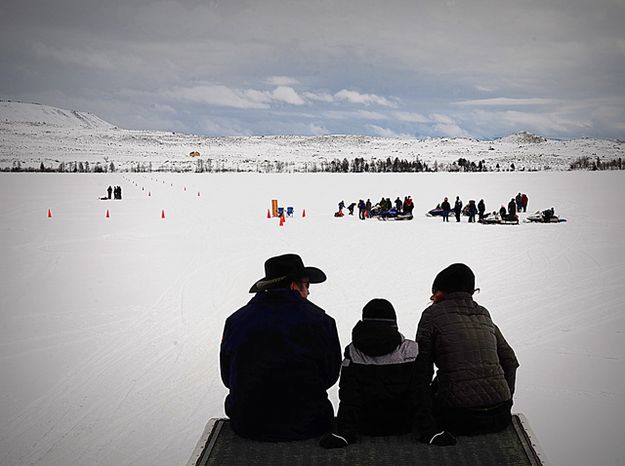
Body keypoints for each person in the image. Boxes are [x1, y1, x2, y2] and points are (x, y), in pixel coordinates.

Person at [220, 253, 342, 441]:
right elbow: (330, 375)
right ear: (294, 286)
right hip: (309, 423)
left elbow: (228, 377)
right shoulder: (321, 321)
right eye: (307, 285)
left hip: (248, 424)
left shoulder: (235, 321)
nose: (308, 292)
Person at [414, 263, 519, 443]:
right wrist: (503, 401)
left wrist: (427, 427)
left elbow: (421, 370)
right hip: (500, 417)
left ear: (440, 292)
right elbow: (510, 361)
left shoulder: (432, 315)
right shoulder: (483, 314)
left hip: (458, 419)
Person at [319, 299, 419, 449]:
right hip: (404, 425)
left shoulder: (352, 351)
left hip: (364, 427)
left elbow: (348, 395)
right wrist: (429, 431)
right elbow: (420, 392)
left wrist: (345, 433)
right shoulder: (410, 350)